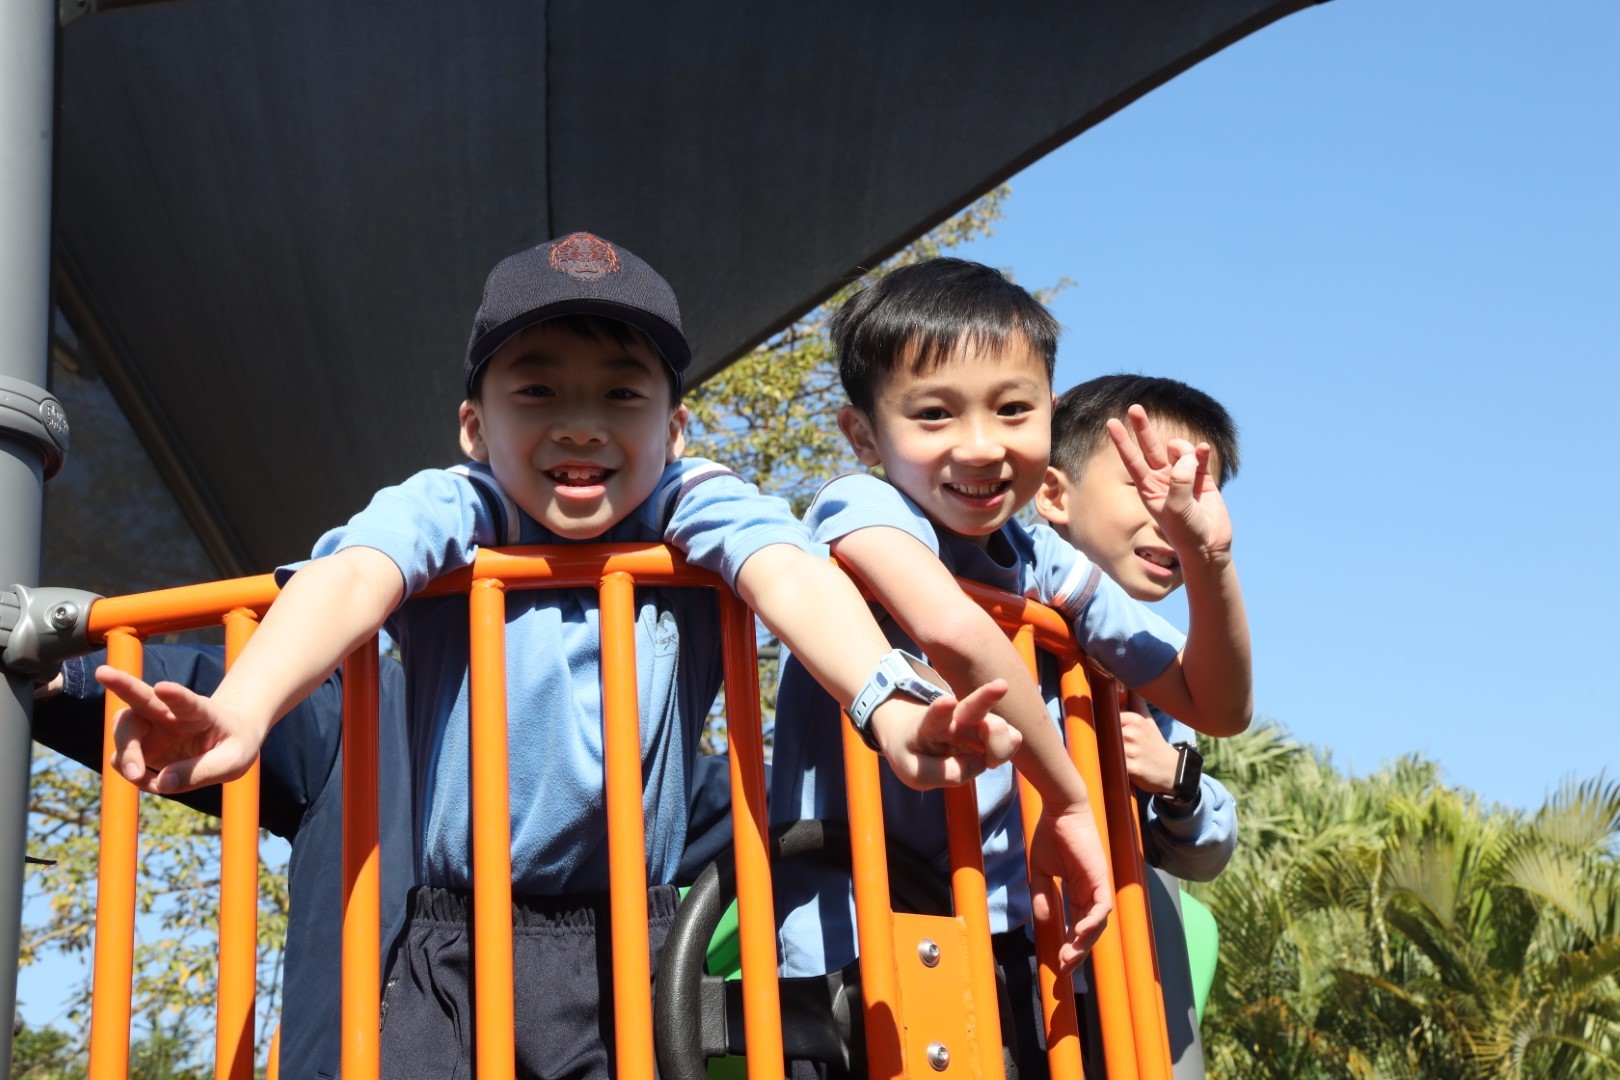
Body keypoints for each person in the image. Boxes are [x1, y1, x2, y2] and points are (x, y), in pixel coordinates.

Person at [94, 232, 1019, 1080]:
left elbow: (789, 572)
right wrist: (246, 705)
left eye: (622, 393)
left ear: (675, 429)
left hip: (636, 937)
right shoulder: (456, 507)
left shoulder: (692, 504)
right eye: (537, 391)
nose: (582, 423)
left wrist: (887, 700)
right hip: (456, 937)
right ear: (474, 427)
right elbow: (354, 575)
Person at [768, 258, 1252, 1078]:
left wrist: (1210, 559)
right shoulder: (859, 505)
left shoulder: (1040, 558)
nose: (981, 445)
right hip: (860, 933)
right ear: (864, 435)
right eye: (934, 413)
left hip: (1011, 940)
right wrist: (1067, 794)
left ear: (1049, 413)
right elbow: (953, 627)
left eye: (1013, 409)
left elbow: (1216, 704)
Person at [1037, 373, 1244, 1077]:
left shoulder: (1149, 668)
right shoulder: (1000, 596)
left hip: (1108, 985)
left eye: (1190, 491)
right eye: (1143, 483)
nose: (1168, 511)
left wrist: (1176, 778)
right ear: (1053, 494)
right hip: (988, 940)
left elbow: (1205, 849)